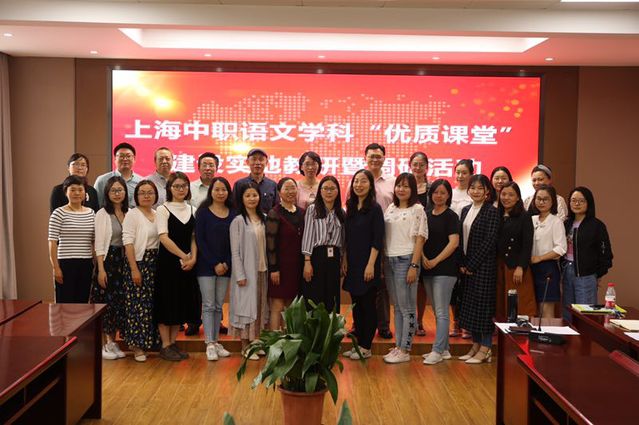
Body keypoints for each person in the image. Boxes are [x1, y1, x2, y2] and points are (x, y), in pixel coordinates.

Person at [382, 173, 427, 364]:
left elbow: (420, 239)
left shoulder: (417, 209)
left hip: (406, 260)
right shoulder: (391, 208)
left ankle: (406, 349)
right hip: (389, 260)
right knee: (398, 307)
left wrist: (414, 265)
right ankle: (398, 346)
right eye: (399, 186)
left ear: (413, 189)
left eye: (406, 186)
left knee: (407, 307)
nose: (401, 189)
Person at [155, 172, 199, 361]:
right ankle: (165, 345)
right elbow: (163, 237)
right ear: (169, 189)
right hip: (168, 263)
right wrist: (184, 256)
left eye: (184, 186)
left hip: (187, 264)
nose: (181, 189)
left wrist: (193, 258)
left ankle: (173, 343)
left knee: (180, 303)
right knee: (167, 303)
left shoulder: (192, 209)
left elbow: (194, 237)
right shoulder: (162, 209)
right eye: (177, 186)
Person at [342, 170, 385, 361]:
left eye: (363, 181)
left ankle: (366, 346)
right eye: (356, 181)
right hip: (353, 263)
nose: (359, 185)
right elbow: (347, 238)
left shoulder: (375, 208)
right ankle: (358, 344)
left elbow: (377, 239)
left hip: (368, 264)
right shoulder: (350, 207)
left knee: (368, 306)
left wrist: (371, 265)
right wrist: (344, 259)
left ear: (370, 185)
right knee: (357, 305)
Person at [458, 174, 500, 364]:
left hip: (483, 267)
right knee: (470, 307)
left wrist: (472, 264)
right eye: (472, 188)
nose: (475, 191)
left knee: (483, 307)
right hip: (466, 266)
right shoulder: (465, 210)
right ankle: (475, 345)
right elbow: (461, 238)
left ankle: (486, 348)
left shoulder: (491, 211)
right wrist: (462, 263)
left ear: (487, 191)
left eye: (480, 188)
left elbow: (489, 241)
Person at [195, 177, 235, 361]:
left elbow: (235, 242)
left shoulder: (234, 213)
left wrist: (226, 263)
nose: (220, 193)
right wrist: (214, 263)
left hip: (226, 266)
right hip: (206, 266)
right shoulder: (203, 212)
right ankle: (209, 343)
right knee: (209, 304)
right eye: (217, 189)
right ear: (211, 191)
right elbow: (200, 240)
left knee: (219, 305)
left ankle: (216, 341)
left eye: (223, 189)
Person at [421, 179, 460, 365]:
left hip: (445, 269)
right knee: (438, 311)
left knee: (441, 311)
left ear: (448, 195)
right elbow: (420, 240)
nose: (439, 196)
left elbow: (454, 243)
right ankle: (444, 349)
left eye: (443, 193)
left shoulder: (451, 216)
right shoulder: (426, 215)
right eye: (436, 192)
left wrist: (435, 260)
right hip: (427, 267)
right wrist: (423, 258)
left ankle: (437, 350)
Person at [122, 180, 161, 362]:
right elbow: (128, 242)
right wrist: (134, 269)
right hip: (139, 262)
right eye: (142, 193)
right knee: (137, 305)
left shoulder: (158, 213)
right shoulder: (132, 214)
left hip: (155, 263)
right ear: (136, 196)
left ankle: (150, 342)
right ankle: (136, 346)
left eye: (150, 192)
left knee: (151, 304)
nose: (146, 196)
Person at [229, 182, 269, 360]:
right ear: (241, 199)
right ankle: (245, 346)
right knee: (245, 309)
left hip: (262, 270)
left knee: (259, 307)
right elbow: (235, 251)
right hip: (246, 273)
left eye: (255, 195)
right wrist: (240, 274)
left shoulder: (265, 218)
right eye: (248, 196)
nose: (252, 199)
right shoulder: (238, 221)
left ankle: (255, 343)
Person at [563, 186, 613, 320]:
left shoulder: (596, 225)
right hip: (566, 270)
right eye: (573, 200)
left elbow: (606, 253)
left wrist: (598, 274)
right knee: (568, 312)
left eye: (581, 201)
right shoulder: (566, 224)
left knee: (585, 314)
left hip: (586, 274)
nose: (576, 204)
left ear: (588, 203)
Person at [92, 176, 129, 360]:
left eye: (120, 190)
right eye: (113, 190)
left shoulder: (130, 212)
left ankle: (113, 342)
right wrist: (101, 269)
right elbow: (99, 244)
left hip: (125, 262)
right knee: (107, 303)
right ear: (107, 193)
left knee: (120, 303)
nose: (117, 193)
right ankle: (106, 344)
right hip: (108, 261)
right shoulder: (102, 214)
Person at [48, 175, 96, 303]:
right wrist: (56, 268)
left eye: (80, 190)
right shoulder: (58, 213)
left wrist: (96, 264)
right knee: (65, 303)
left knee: (82, 303)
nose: (77, 193)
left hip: (86, 263)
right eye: (72, 190)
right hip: (65, 264)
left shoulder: (91, 213)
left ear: (85, 193)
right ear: (66, 192)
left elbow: (93, 241)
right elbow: (52, 242)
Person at [301, 176, 345, 313]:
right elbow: (307, 236)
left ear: (338, 191)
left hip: (334, 258)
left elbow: (343, 239)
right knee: (315, 296)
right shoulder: (312, 209)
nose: (329, 192)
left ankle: (331, 326)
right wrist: (307, 261)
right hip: (316, 257)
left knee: (332, 296)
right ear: (320, 191)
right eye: (325, 188)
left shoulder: (341, 212)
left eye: (332, 188)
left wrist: (343, 259)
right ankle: (314, 327)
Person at [266, 178, 305, 331]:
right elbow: (270, 243)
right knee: (277, 305)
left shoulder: (302, 212)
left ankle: (288, 340)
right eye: (286, 188)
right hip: (280, 267)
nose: (290, 191)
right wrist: (274, 268)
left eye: (293, 188)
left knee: (291, 305)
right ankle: (275, 341)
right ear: (279, 192)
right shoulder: (274, 213)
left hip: (296, 266)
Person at [365, 143, 395, 339]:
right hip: (363, 239)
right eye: (371, 156)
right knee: (362, 282)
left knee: (382, 283)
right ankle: (360, 323)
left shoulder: (392, 182)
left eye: (378, 156)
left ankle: (383, 325)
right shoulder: (358, 180)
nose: (375, 159)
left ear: (384, 158)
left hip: (386, 239)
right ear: (365, 158)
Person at [496, 182, 536, 320]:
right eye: (503, 194)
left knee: (519, 304)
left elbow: (527, 244)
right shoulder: (496, 214)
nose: (506, 198)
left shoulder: (524, 216)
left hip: (515, 266)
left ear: (518, 197)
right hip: (499, 265)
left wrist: (521, 266)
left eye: (511, 195)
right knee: (500, 303)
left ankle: (519, 331)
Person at [529, 185, 567, 318]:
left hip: (547, 269)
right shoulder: (531, 219)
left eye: (545, 199)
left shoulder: (556, 221)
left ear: (552, 202)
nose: (541, 202)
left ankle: (547, 332)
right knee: (531, 309)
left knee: (545, 310)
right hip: (530, 268)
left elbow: (561, 248)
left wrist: (540, 258)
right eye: (538, 199)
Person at [449, 159, 474, 338]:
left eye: (464, 172)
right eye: (458, 172)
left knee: (467, 287)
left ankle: (467, 323)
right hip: (451, 243)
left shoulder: (474, 193)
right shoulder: (450, 192)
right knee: (453, 287)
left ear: (471, 174)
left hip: (468, 243)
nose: (460, 176)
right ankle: (455, 322)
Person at [410, 151, 431, 336]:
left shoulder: (432, 189)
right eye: (415, 164)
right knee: (410, 282)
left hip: (429, 240)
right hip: (408, 239)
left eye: (421, 164)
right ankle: (409, 320)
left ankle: (420, 320)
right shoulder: (405, 186)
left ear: (427, 167)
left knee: (422, 285)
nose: (418, 168)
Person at [94, 142, 143, 207]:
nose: (125, 159)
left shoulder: (141, 181)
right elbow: (96, 205)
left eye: (128, 156)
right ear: (115, 159)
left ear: (134, 158)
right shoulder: (102, 180)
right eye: (121, 156)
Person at [233, 148, 279, 212]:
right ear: (247, 162)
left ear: (266, 162)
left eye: (261, 159)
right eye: (254, 159)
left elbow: (276, 209)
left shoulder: (273, 185)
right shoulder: (239, 184)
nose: (257, 163)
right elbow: (235, 207)